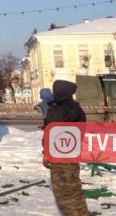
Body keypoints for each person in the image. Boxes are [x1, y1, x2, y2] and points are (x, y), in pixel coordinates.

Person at [42, 80, 89, 216]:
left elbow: (51, 132)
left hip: (59, 156)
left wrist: (46, 152)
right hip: (72, 153)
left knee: (64, 194)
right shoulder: (76, 107)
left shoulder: (59, 108)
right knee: (75, 189)